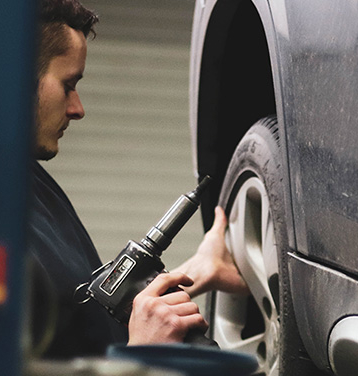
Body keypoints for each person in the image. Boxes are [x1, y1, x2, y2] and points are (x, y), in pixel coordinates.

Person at [31, 0, 246, 358]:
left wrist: (197, 271)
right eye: (69, 84)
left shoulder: (31, 184)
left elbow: (80, 322)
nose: (77, 108)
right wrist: (142, 354)